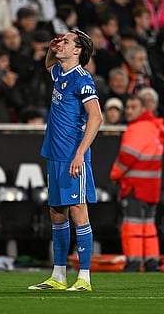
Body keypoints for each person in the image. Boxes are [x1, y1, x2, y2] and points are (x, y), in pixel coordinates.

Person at [28, 29, 103, 292]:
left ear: (78, 50)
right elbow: (48, 63)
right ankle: (58, 276)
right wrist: (51, 48)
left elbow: (96, 117)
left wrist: (81, 153)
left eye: (66, 42)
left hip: (73, 155)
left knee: (78, 210)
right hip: (55, 154)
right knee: (57, 212)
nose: (61, 44)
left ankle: (84, 278)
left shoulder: (82, 79)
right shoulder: (60, 72)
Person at [109, 94, 164, 272]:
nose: (128, 111)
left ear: (144, 109)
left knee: (132, 226)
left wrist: (114, 175)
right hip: (151, 187)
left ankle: (134, 262)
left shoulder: (138, 128)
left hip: (135, 186)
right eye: (127, 107)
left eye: (133, 107)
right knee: (148, 227)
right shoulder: (154, 127)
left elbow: (127, 157)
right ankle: (151, 261)